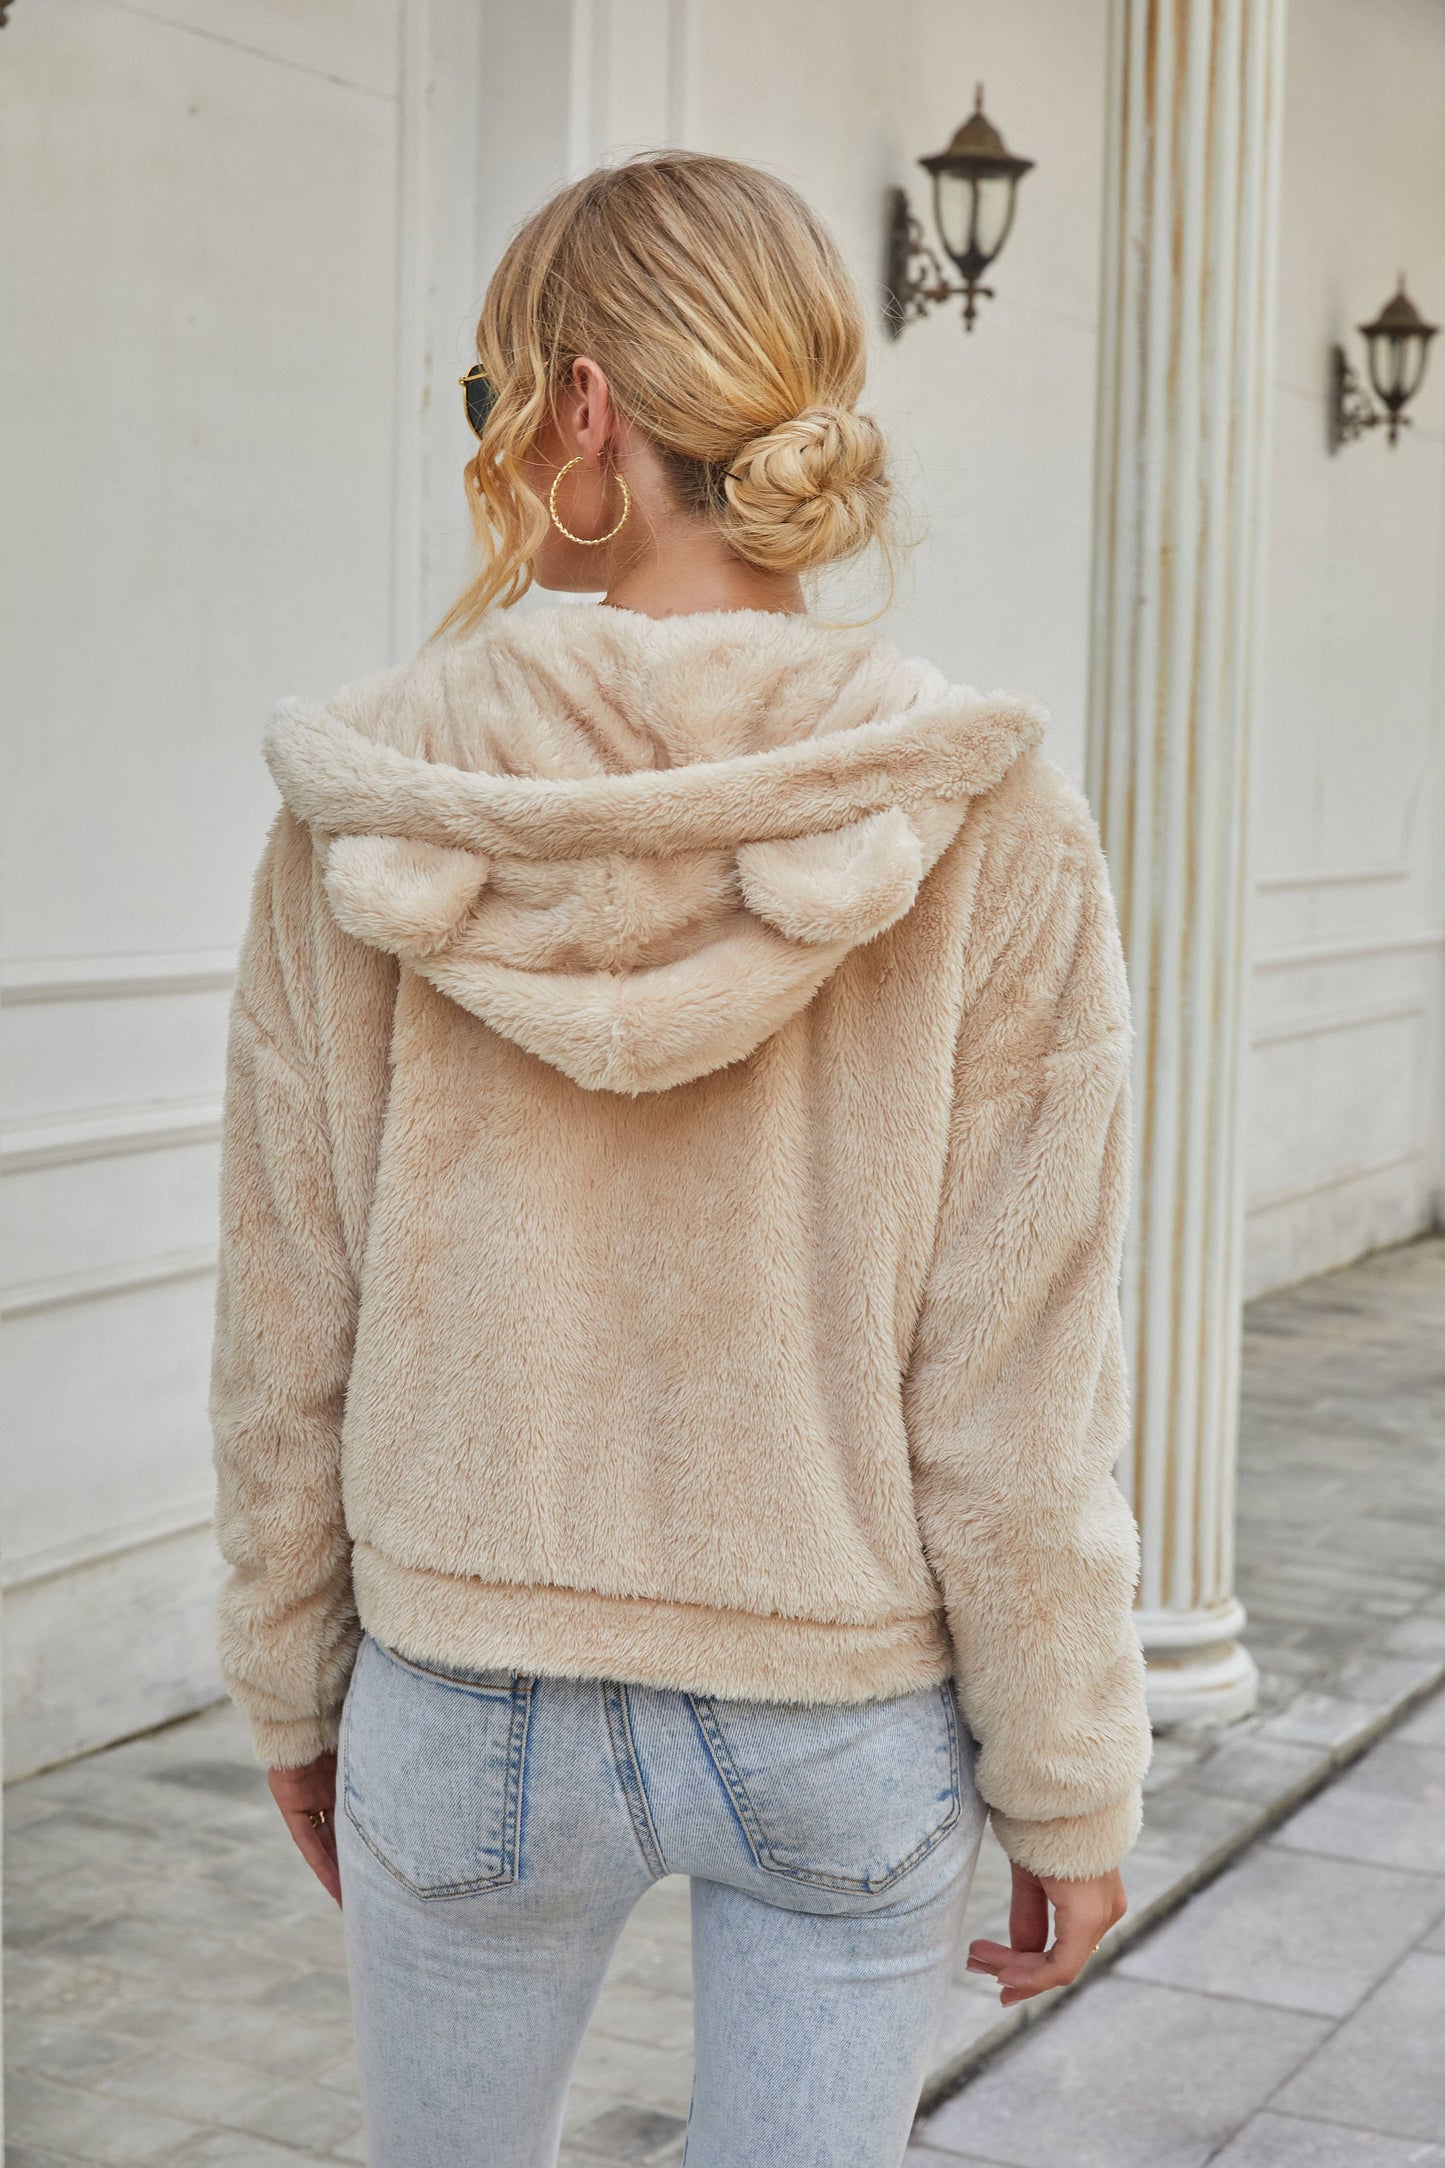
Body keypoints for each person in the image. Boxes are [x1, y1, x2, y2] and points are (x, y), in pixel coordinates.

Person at [210, 150, 1151, 2168]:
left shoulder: (374, 805)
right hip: (834, 1694)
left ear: (580, 413)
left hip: (463, 1685)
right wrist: (1068, 1774)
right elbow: (1019, 1376)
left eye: (487, 396)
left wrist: (290, 1676)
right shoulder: (986, 818)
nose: (483, 440)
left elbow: (288, 1307)